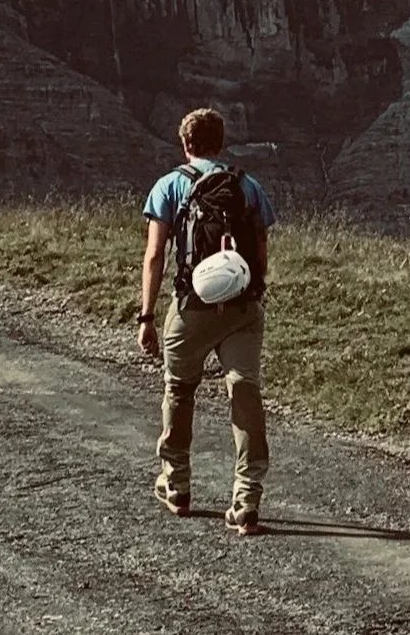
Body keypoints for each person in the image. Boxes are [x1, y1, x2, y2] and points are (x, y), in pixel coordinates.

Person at [137, 108, 275, 534]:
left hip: (192, 308)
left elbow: (156, 256)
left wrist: (146, 316)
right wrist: (250, 295)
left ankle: (176, 484)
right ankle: (246, 499)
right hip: (241, 310)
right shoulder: (248, 186)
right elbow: (262, 250)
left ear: (185, 144)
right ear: (221, 141)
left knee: (179, 389)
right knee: (244, 392)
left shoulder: (170, 185)